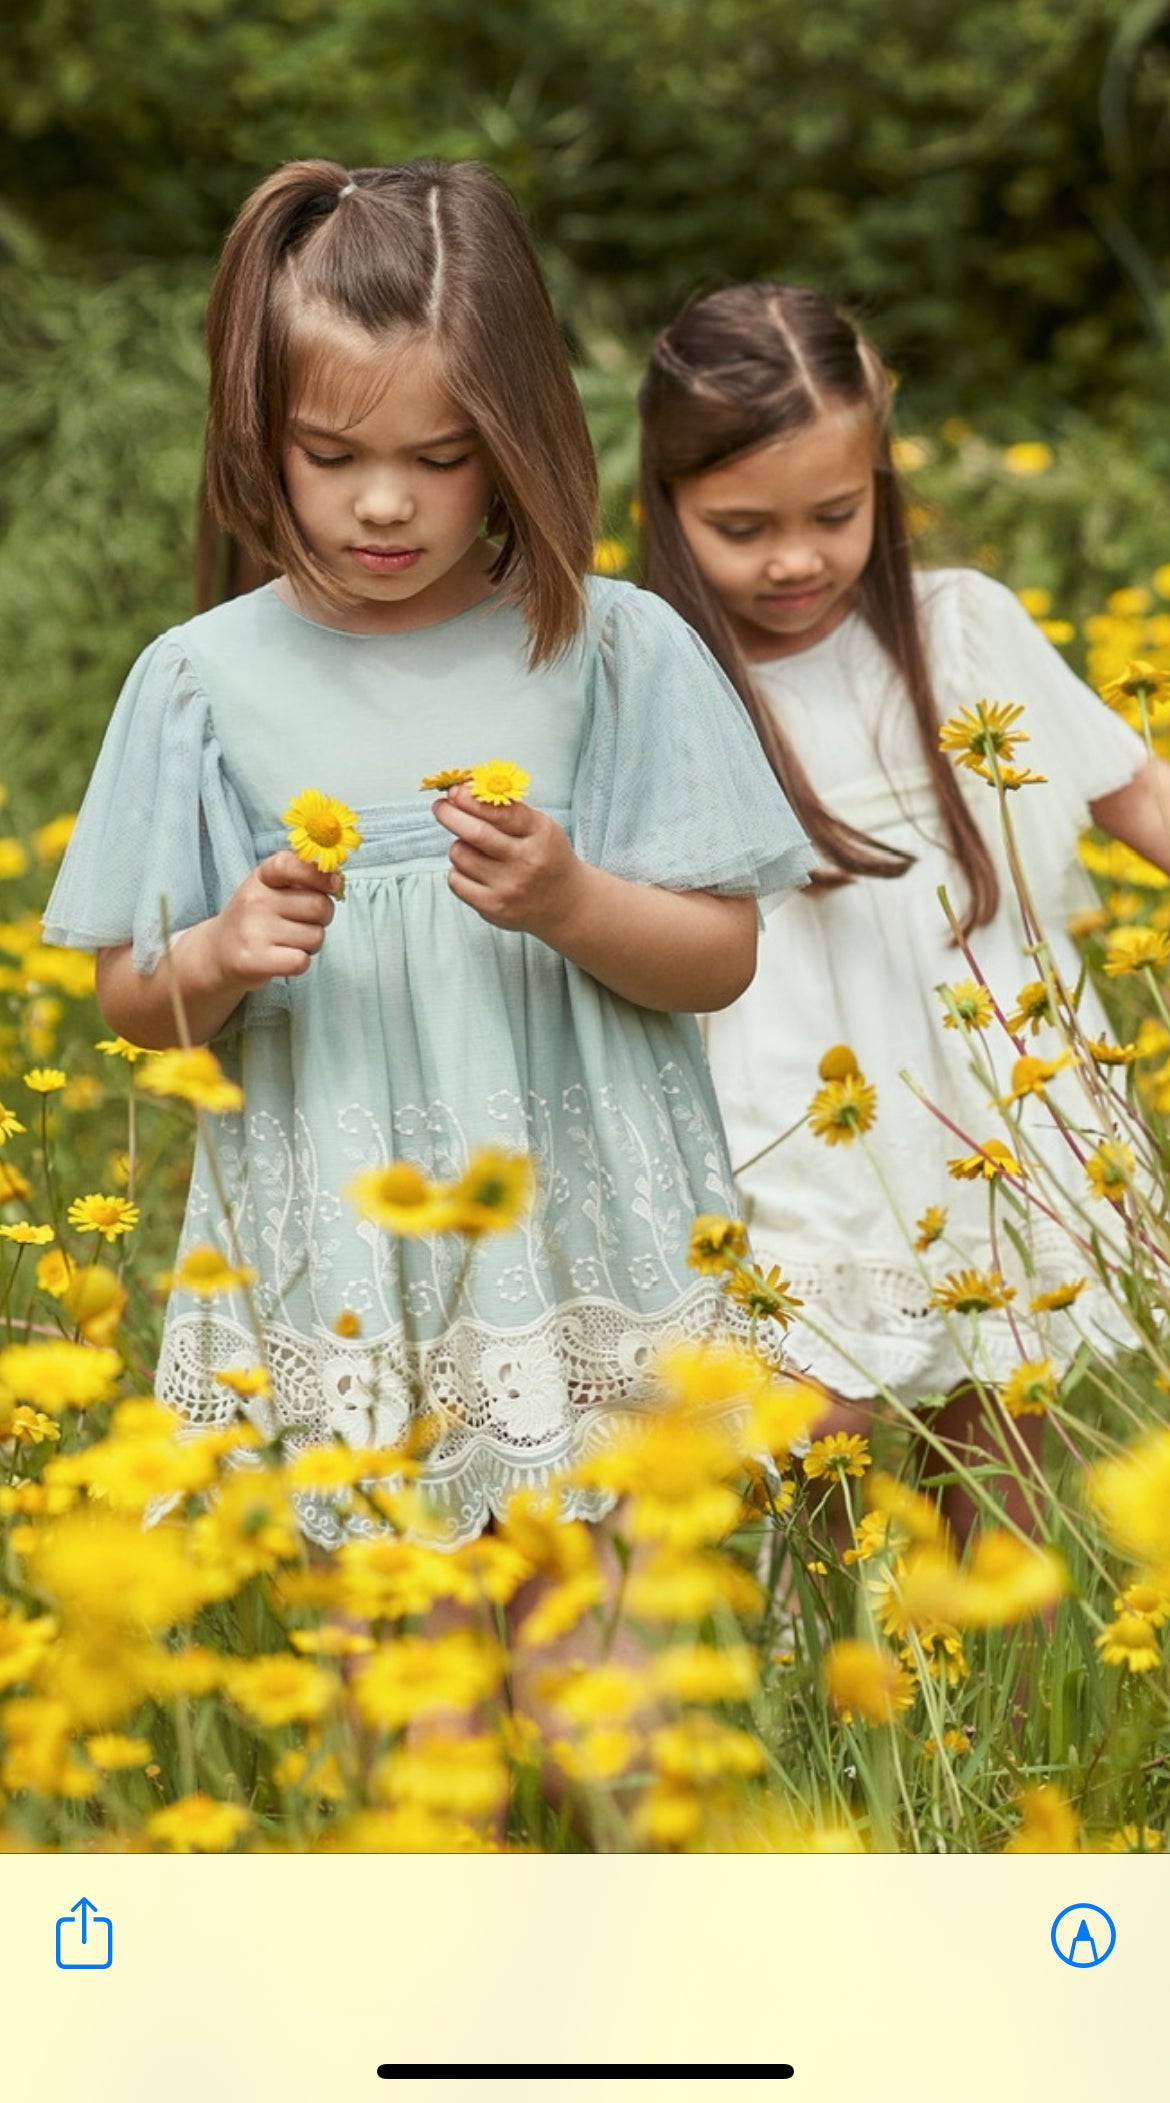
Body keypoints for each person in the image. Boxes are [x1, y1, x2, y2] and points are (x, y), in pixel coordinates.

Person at [44, 164, 811, 1560]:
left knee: (618, 1715)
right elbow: (129, 999)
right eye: (330, 456)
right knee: (419, 1714)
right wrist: (216, 955)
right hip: (358, 1275)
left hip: (589, 1261)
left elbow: (720, 955)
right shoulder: (201, 683)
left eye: (440, 456)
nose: (383, 503)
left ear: (513, 433)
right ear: (257, 432)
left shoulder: (611, 647)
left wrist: (572, 901)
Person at [637, 281, 1169, 1533]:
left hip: (982, 1090)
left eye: (837, 512)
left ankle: (1001, 1719)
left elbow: (1134, 789)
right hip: (781, 1108)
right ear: (666, 504)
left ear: (881, 479)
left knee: (1002, 1431)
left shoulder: (961, 629)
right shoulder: (652, 673)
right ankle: (827, 1699)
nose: (796, 558)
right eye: (743, 525)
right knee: (813, 1428)